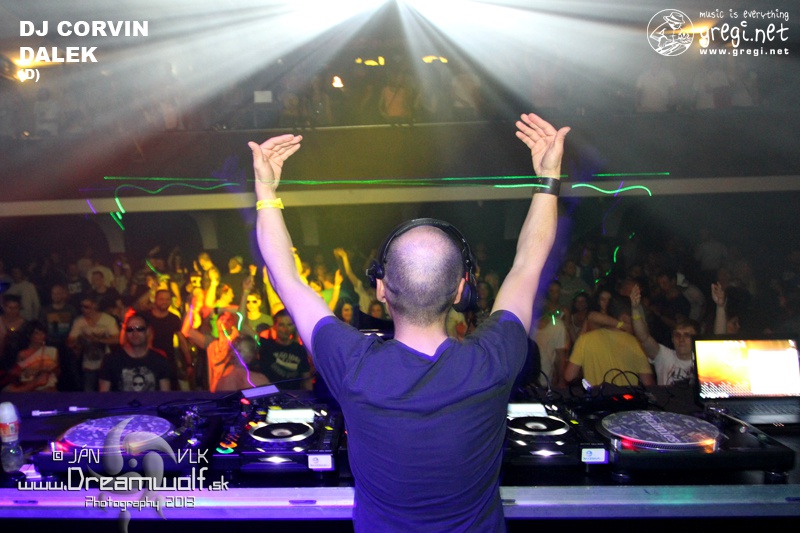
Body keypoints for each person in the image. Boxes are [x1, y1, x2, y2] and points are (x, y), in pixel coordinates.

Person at [249, 111, 567, 531]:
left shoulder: (354, 366)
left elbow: (284, 276)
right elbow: (528, 264)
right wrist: (548, 178)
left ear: (381, 289)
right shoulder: (495, 360)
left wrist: (266, 190)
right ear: (461, 291)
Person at [564, 296, 655, 387]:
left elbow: (569, 376)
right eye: (634, 319)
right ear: (624, 318)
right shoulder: (637, 344)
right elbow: (648, 383)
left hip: (595, 395)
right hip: (626, 396)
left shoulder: (585, 339)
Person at [630, 284, 698, 386]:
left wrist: (720, 307)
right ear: (672, 339)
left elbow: (720, 339)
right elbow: (644, 338)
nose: (681, 339)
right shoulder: (664, 356)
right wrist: (635, 309)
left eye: (687, 335)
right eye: (677, 335)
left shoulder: (704, 361)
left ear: (696, 339)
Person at [99, 313, 170, 392]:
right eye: (130, 329)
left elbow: (165, 395)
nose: (135, 333)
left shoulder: (160, 361)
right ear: (125, 333)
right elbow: (103, 395)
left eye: (140, 329)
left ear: (147, 331)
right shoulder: (111, 360)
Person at [258, 309, 312, 391]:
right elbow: (243, 326)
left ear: (294, 326)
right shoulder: (266, 345)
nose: (285, 329)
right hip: (270, 394)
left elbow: (306, 379)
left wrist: (309, 397)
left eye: (289, 325)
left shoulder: (300, 350)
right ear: (274, 326)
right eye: (281, 325)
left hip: (293, 395)